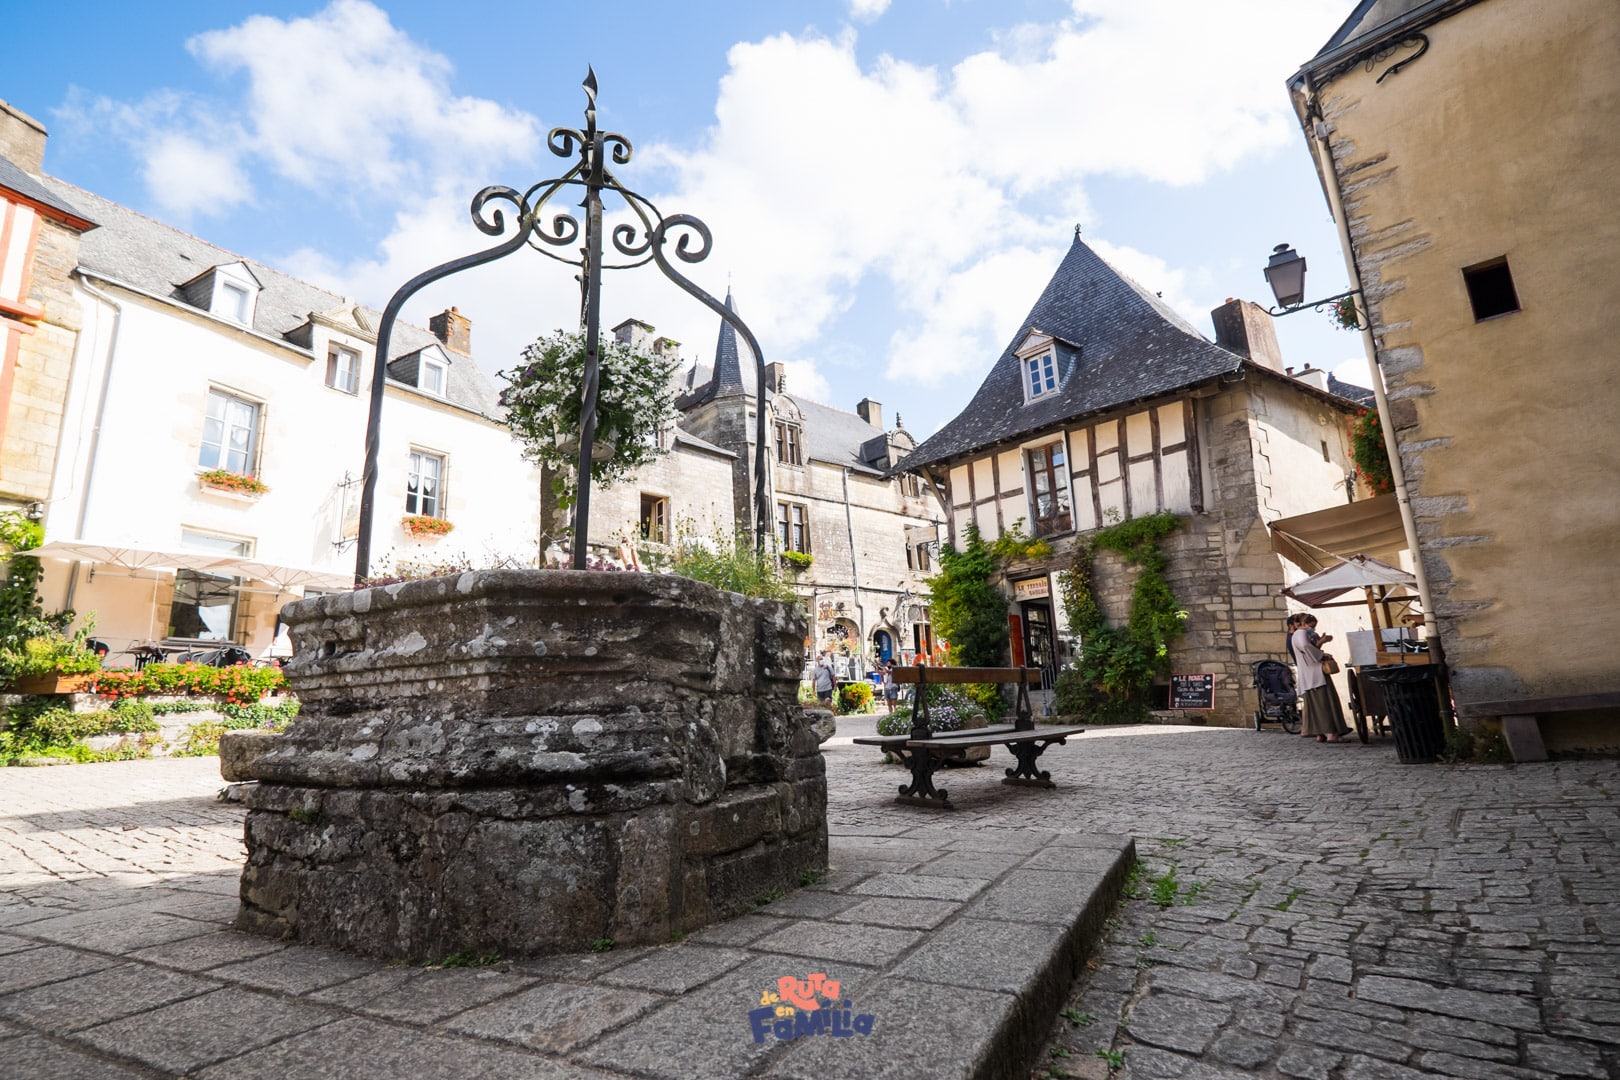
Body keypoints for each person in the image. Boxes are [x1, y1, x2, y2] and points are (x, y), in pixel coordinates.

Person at [1292, 614, 1350, 742]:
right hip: (1315, 673)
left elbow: (1308, 649)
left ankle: (1320, 733)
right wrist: (1321, 655)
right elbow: (1306, 647)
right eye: (1311, 625)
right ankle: (1331, 734)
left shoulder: (1297, 635)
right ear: (1304, 624)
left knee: (1315, 705)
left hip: (1309, 674)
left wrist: (1320, 644)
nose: (1313, 628)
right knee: (1325, 703)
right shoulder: (1301, 634)